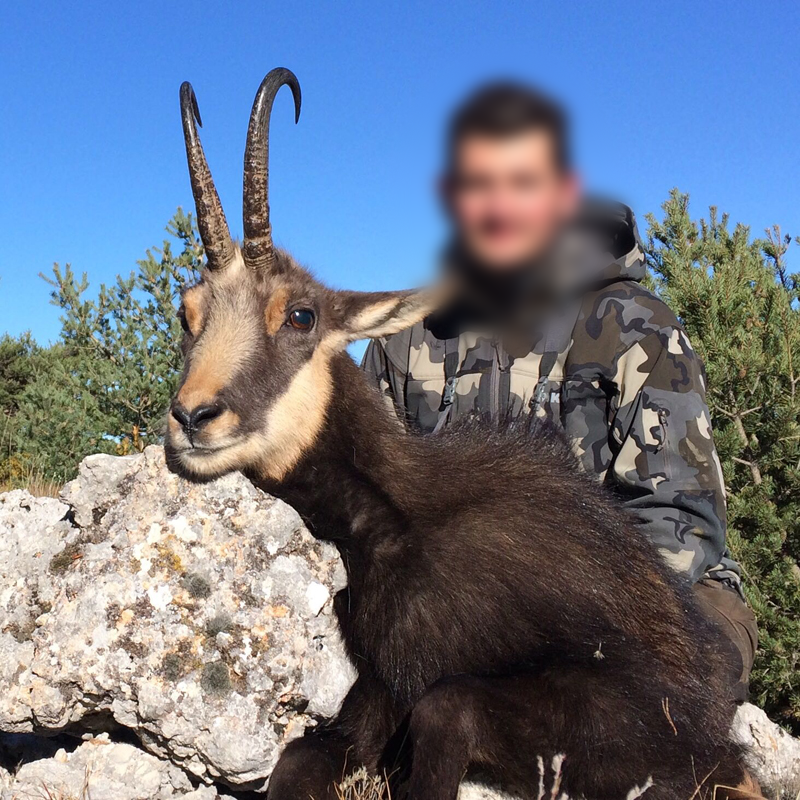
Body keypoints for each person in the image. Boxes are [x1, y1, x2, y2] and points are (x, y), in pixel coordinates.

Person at [362, 81, 757, 701]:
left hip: (635, 598)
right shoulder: (404, 339)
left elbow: (681, 525)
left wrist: (543, 608)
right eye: (478, 184)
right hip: (454, 602)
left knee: (662, 685)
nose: (500, 207)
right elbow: (368, 503)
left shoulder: (634, 326)